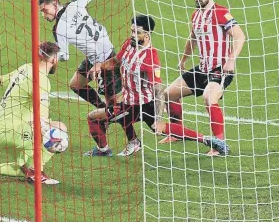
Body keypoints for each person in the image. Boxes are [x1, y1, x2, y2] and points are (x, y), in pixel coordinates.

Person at [85, 15, 229, 157]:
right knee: (126, 116)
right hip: (128, 102)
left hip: (142, 105)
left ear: (147, 35)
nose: (133, 35)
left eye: (137, 32)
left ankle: (104, 150)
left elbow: (159, 90)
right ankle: (205, 139)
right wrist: (100, 66)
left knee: (94, 117)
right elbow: (116, 60)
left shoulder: (150, 58)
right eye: (132, 31)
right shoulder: (129, 44)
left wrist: (159, 118)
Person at [0, 41, 67, 184]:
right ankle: (37, 173)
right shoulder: (42, 79)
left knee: (23, 167)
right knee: (60, 129)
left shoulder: (25, 68)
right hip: (14, 131)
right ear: (54, 59)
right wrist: (48, 130)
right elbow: (42, 116)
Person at [160, 0, 246, 156]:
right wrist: (184, 59)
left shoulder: (221, 13)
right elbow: (192, 39)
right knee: (169, 94)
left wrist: (231, 59)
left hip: (220, 70)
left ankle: (219, 144)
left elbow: (239, 35)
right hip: (202, 69)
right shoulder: (196, 15)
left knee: (208, 97)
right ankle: (177, 133)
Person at [38, 0, 126, 109]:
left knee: (115, 108)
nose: (43, 15)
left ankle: (110, 116)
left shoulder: (58, 29)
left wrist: (50, 55)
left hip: (104, 60)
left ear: (55, 4)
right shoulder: (76, 3)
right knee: (76, 84)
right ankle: (101, 111)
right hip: (98, 53)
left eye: (45, 10)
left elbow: (65, 56)